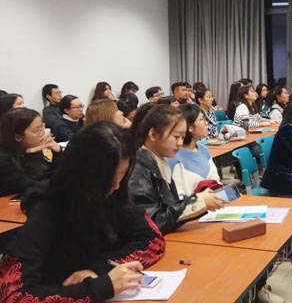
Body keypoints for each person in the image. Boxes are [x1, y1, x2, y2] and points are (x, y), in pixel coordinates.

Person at [0, 121, 165, 301]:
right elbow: (13, 295)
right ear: (85, 174)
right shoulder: (49, 208)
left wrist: (98, 269)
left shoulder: (112, 194)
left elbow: (153, 239)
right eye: (109, 178)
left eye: (123, 173)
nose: (117, 185)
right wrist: (101, 287)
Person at [128, 103, 227, 234]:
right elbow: (153, 222)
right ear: (153, 134)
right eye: (176, 136)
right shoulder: (138, 168)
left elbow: (170, 208)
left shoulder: (159, 161)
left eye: (183, 137)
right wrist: (197, 202)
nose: (180, 143)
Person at [0, 108, 61, 197]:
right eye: (37, 130)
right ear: (18, 137)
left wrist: (57, 153)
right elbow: (34, 186)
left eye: (42, 127)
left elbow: (53, 177)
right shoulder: (3, 160)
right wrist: (33, 155)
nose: (42, 133)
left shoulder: (25, 149)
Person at [166, 104, 220, 185]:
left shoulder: (204, 149)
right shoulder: (173, 157)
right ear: (189, 126)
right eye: (201, 119)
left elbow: (216, 180)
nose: (206, 123)